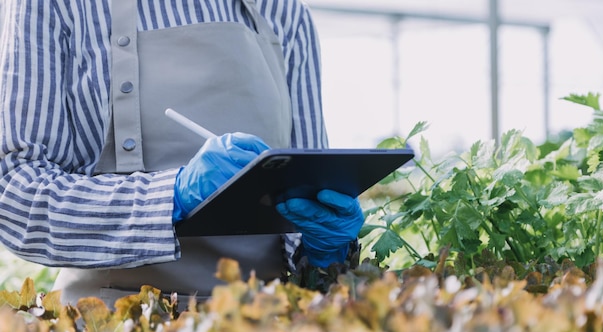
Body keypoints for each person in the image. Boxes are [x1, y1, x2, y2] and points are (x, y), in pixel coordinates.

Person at [0, 0, 364, 308]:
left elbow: (307, 185)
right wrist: (170, 197)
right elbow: (13, 193)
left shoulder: (282, 11)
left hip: (263, 330)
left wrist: (323, 250)